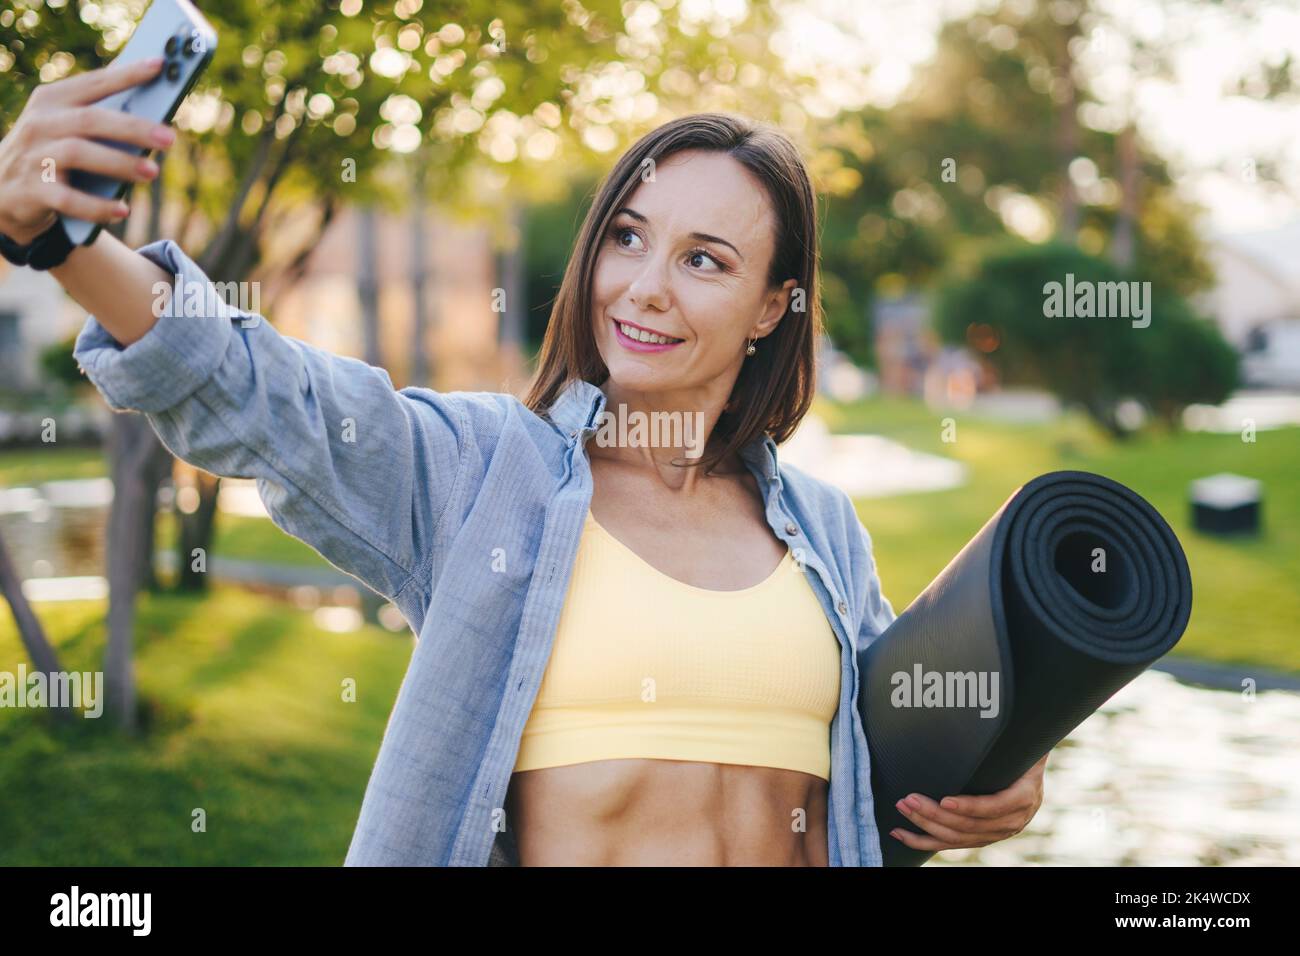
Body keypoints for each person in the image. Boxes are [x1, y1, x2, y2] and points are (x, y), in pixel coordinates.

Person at [0, 57, 1046, 866]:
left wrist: (1000, 772)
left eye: (704, 260)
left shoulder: (823, 531)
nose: (642, 286)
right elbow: (258, 388)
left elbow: (889, 762)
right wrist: (55, 244)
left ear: (775, 306)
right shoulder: (483, 474)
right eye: (627, 237)